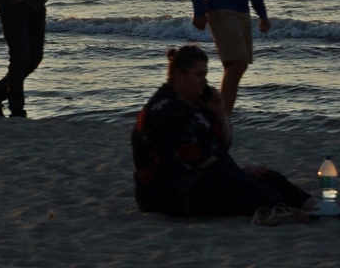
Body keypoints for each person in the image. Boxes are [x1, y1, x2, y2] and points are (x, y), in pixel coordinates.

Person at [132, 45, 314, 220]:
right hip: (172, 192)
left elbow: (221, 146)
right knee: (250, 190)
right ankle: (281, 207)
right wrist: (239, 174)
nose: (204, 82)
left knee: (266, 176)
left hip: (198, 179)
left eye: (205, 75)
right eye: (199, 75)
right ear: (180, 74)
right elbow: (203, 159)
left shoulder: (192, 102)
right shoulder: (165, 111)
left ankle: (313, 205)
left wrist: (219, 113)